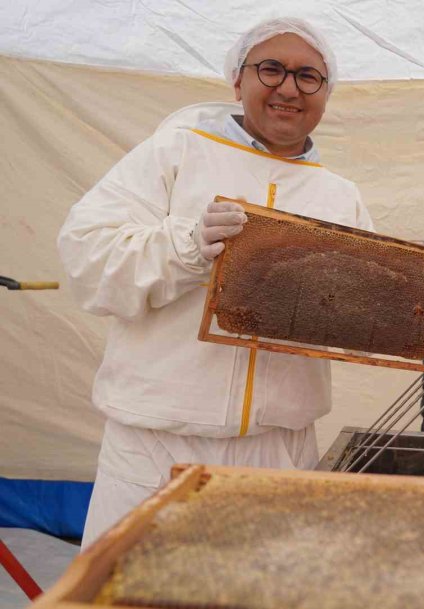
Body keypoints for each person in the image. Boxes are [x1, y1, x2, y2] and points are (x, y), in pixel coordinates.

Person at [57, 18, 374, 548]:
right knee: (136, 585)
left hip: (280, 449)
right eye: (271, 69)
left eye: (308, 76)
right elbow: (88, 259)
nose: (289, 88)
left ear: (326, 93)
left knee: (264, 587)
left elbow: (361, 319)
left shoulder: (340, 195)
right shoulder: (175, 152)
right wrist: (187, 246)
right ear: (237, 80)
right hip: (158, 445)